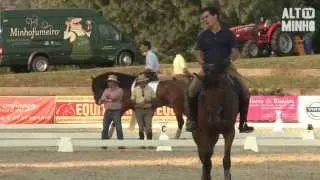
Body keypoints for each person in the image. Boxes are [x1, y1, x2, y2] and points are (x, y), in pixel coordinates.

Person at [186, 7, 254, 133]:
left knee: (245, 90)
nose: (204, 20)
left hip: (226, 68)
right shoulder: (202, 35)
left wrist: (228, 61)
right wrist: (203, 63)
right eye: (203, 18)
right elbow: (198, 53)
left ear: (215, 16)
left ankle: (243, 123)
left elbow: (235, 52)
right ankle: (192, 120)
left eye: (206, 17)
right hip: (208, 68)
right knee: (191, 90)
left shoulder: (228, 33)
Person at [131, 74, 156, 140]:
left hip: (148, 109)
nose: (142, 83)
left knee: (149, 126)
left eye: (143, 81)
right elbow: (132, 100)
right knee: (140, 127)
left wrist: (148, 101)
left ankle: (149, 142)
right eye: (141, 82)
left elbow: (154, 99)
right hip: (138, 110)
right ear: (139, 82)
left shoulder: (150, 89)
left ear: (145, 81)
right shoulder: (135, 89)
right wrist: (138, 103)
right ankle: (142, 142)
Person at [99, 74, 124, 140]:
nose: (108, 83)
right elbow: (102, 98)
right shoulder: (106, 90)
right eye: (108, 81)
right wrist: (107, 99)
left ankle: (121, 142)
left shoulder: (120, 90)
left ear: (114, 82)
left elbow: (114, 97)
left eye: (110, 81)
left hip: (116, 111)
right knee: (105, 127)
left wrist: (106, 98)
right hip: (108, 111)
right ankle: (104, 142)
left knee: (118, 127)